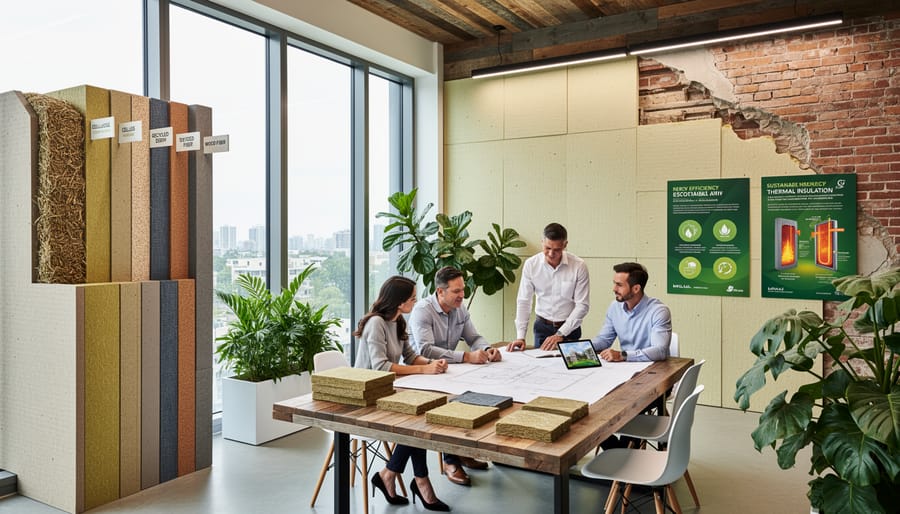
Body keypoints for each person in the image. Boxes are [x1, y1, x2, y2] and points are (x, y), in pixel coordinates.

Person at [354, 275, 451, 512]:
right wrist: (423, 370)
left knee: (419, 420)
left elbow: (409, 356)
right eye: (412, 299)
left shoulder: (398, 322)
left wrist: (432, 363)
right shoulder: (376, 323)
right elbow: (381, 367)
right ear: (399, 302)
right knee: (416, 423)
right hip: (366, 396)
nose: (415, 302)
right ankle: (416, 481)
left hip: (390, 391)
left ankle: (394, 475)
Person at [409, 266, 499, 486]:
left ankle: (461, 451)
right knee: (449, 405)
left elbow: (473, 337)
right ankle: (450, 460)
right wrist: (466, 356)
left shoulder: (460, 309)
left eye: (463, 290)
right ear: (440, 292)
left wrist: (487, 349)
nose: (462, 295)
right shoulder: (423, 310)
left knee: (477, 396)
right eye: (457, 291)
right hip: (420, 374)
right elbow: (425, 350)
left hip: (448, 371)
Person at [506, 223, 590, 352]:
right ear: (542, 242)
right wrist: (520, 336)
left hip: (570, 329)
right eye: (547, 248)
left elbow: (582, 305)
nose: (551, 253)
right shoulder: (531, 265)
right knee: (542, 370)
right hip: (542, 328)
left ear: (565, 245)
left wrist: (560, 334)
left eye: (556, 249)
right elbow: (524, 301)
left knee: (573, 369)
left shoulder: (579, 266)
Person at [581, 261, 671, 361]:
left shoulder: (659, 311)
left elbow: (660, 351)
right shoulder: (615, 307)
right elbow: (604, 340)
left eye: (619, 285)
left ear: (636, 288)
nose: (614, 289)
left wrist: (622, 355)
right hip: (625, 366)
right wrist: (581, 347)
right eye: (614, 283)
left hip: (654, 369)